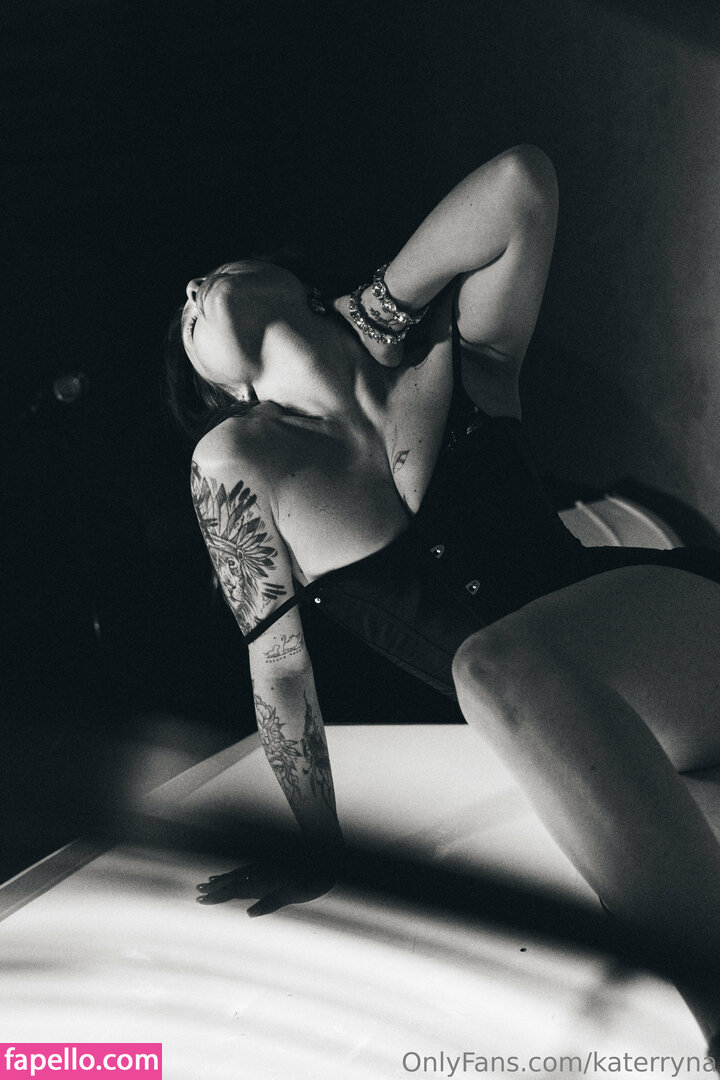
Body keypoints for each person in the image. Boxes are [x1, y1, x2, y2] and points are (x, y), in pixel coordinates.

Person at [167, 146, 720, 1048]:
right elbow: (280, 670)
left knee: (493, 664)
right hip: (593, 733)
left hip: (672, 639)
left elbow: (523, 183)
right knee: (497, 673)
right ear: (226, 390)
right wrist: (318, 844)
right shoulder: (236, 461)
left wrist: (386, 306)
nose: (194, 288)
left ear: (300, 283)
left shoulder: (458, 354)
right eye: (185, 317)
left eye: (212, 274)